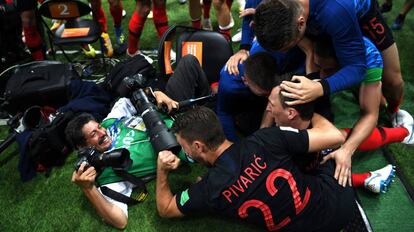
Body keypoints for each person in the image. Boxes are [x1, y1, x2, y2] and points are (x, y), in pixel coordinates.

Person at [66, 54, 213, 229]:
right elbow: (120, 221)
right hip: (186, 140)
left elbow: (129, 99)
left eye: (98, 127)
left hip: (172, 110)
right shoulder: (108, 172)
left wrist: (156, 94)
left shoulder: (110, 121)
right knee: (214, 128)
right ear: (83, 146)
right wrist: (88, 189)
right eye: (94, 134)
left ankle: (210, 100)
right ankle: (211, 110)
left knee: (188, 61)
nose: (102, 132)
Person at [156, 105, 358, 231]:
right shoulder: (266, 139)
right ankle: (363, 178)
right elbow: (335, 135)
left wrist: (162, 170)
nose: (185, 152)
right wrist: (308, 110)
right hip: (341, 205)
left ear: (199, 146)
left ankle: (365, 178)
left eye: (184, 146)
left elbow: (165, 208)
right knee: (326, 150)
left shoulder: (209, 190)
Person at [254, 0, 405, 120]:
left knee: (393, 81)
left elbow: (357, 67)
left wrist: (320, 88)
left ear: (301, 24)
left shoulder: (335, 11)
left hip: (358, 13)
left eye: (288, 46)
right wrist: (246, 42)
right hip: (321, 14)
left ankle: (394, 111)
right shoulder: (270, 6)